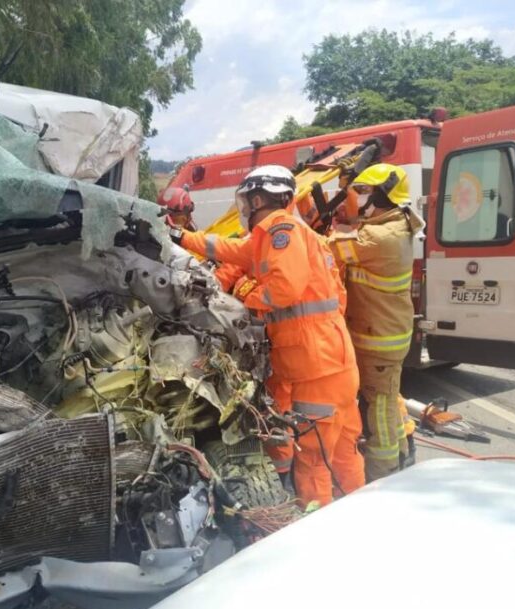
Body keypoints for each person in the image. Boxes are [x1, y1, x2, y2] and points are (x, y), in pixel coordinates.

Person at [170, 165, 365, 506]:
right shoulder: (285, 235)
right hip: (334, 358)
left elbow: (284, 290)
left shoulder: (281, 230)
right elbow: (227, 249)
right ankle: (357, 508)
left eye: (246, 201)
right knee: (344, 449)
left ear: (259, 198)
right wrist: (181, 238)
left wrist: (247, 301)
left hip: (314, 364)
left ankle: (316, 530)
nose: (244, 209)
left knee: (315, 460)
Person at [326, 163, 425, 481]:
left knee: (379, 405)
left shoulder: (379, 238)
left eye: (361, 192)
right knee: (387, 396)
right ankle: (399, 455)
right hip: (388, 332)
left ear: (378, 197)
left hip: (378, 338)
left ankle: (383, 471)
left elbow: (327, 249)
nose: (354, 199)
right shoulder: (396, 222)